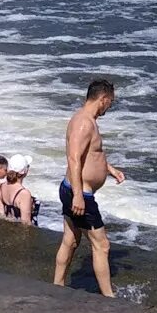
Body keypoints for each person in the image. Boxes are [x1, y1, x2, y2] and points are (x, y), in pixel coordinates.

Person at [53, 79, 124, 297]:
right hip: (80, 193)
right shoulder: (84, 122)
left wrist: (109, 168)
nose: (109, 108)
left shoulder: (86, 120)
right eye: (109, 103)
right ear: (102, 99)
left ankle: (57, 285)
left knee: (71, 240)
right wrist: (78, 196)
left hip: (74, 189)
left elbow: (90, 154)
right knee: (102, 246)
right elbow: (74, 158)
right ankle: (109, 297)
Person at [0, 154, 38, 224]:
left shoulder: (2, 186)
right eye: (28, 167)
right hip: (17, 233)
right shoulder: (24, 193)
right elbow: (26, 223)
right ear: (24, 172)